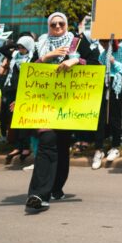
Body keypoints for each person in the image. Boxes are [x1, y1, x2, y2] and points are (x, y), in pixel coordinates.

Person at [25, 12, 83, 210]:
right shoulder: (40, 44)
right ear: (48, 26)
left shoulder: (77, 43)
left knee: (62, 147)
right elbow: (28, 74)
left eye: (61, 23)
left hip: (68, 106)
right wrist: (46, 57)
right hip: (44, 106)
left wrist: (75, 61)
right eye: (53, 24)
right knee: (46, 143)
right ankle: (38, 194)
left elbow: (96, 65)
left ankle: (56, 187)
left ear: (66, 25)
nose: (57, 27)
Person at [91, 39, 122, 169]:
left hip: (117, 86)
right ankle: (98, 149)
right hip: (103, 85)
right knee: (100, 117)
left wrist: (113, 61)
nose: (104, 44)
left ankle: (115, 146)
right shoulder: (102, 55)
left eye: (106, 42)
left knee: (115, 116)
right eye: (102, 42)